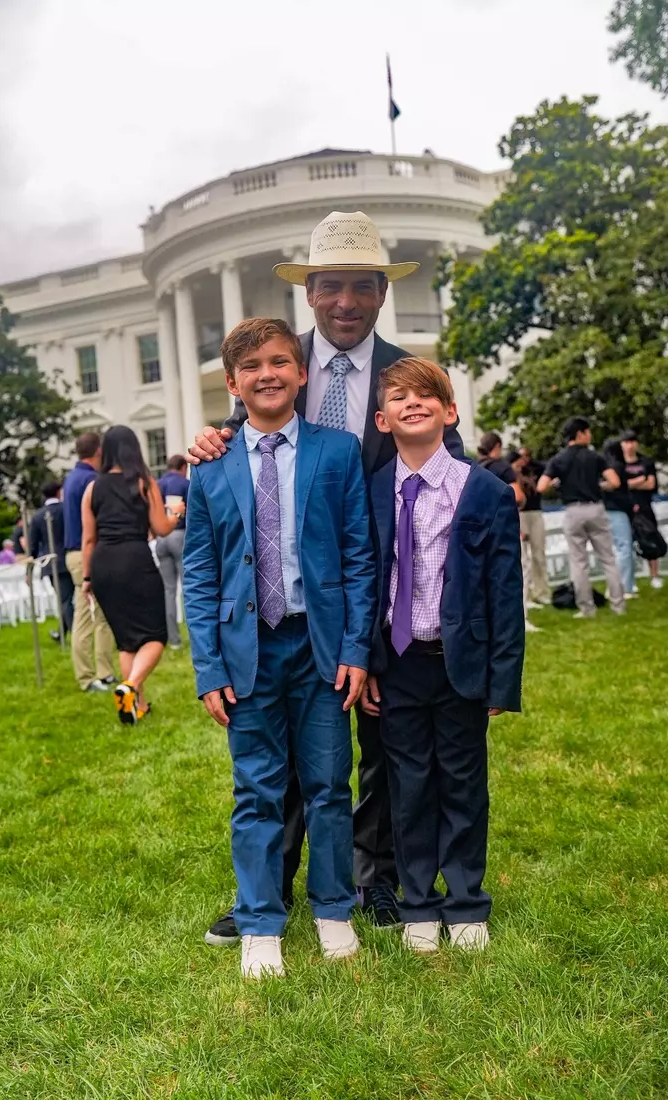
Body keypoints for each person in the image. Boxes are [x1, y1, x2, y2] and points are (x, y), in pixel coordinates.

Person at [189, 210, 464, 944]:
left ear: (380, 293)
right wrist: (212, 438)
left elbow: (449, 477)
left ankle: (369, 883)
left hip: (392, 595)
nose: (346, 301)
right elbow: (246, 447)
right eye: (331, 286)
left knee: (375, 750)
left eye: (362, 287)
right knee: (283, 754)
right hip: (295, 598)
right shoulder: (277, 362)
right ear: (309, 292)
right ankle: (270, 892)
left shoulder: (410, 373)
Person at [183, 318, 376, 979]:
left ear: (300, 373)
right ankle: (260, 920)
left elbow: (357, 554)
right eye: (252, 366)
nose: (267, 373)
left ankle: (330, 908)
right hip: (247, 653)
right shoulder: (209, 470)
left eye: (279, 361)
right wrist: (207, 666)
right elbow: (201, 574)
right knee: (256, 789)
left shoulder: (336, 451)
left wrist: (355, 647)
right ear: (233, 382)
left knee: (327, 785)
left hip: (319, 646)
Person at [361, 357, 524, 954]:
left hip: (460, 664)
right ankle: (419, 904)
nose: (412, 403)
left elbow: (505, 592)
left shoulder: (483, 491)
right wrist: (369, 661)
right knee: (408, 786)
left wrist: (501, 680)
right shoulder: (373, 491)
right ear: (382, 420)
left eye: (426, 397)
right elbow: (364, 582)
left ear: (450, 412)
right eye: (398, 397)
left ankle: (465, 903)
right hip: (397, 664)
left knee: (462, 782)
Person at [80, 426, 185, 724]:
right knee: (156, 636)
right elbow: (162, 529)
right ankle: (129, 686)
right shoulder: (143, 482)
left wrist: (87, 578)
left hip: (102, 566)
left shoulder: (92, 488)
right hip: (135, 560)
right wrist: (177, 511)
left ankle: (135, 706)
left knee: (126, 640)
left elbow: (89, 539)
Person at [537, 418, 625, 618]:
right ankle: (618, 606)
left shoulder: (558, 460)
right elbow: (615, 481)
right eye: (588, 432)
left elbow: (541, 487)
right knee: (608, 559)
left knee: (579, 562)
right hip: (595, 508)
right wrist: (598, 486)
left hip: (573, 511)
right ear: (580, 434)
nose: (590, 435)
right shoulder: (595, 457)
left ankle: (587, 609)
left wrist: (560, 484)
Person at [63, 433, 116, 693]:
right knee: (89, 618)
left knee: (98, 616)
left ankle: (103, 673)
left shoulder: (71, 478)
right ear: (97, 452)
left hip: (75, 551)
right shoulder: (91, 480)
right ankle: (88, 677)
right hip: (86, 552)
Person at [28, 480, 75, 641]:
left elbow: (32, 546)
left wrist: (30, 570)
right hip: (70, 556)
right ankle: (65, 634)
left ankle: (74, 635)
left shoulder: (37, 516)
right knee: (67, 599)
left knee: (65, 599)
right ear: (58, 492)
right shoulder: (66, 510)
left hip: (50, 562)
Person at [621, 430, 664, 590]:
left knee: (650, 538)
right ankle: (630, 579)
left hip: (645, 506)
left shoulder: (646, 462)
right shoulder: (619, 464)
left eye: (632, 441)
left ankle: (655, 575)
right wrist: (639, 480)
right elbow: (619, 485)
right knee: (627, 542)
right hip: (626, 507)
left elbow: (651, 484)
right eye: (627, 442)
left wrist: (629, 483)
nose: (630, 445)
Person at [156, 454, 190, 649]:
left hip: (162, 537)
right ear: (183, 467)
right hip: (180, 534)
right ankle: (195, 637)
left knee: (169, 590)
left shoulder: (158, 485)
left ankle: (174, 640)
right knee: (189, 588)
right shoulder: (185, 484)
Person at [507, 450, 542, 634]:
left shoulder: (485, 469)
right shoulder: (506, 472)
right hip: (513, 522)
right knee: (523, 566)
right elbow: (518, 498)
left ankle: (528, 600)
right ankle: (522, 614)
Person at [602, 439, 636, 598]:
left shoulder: (604, 466)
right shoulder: (617, 466)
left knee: (616, 550)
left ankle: (615, 587)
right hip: (618, 510)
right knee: (624, 548)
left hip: (607, 509)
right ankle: (623, 587)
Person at [518, 446, 550, 606]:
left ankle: (541, 591)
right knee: (523, 558)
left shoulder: (538, 467)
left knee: (539, 554)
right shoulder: (513, 469)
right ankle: (526, 595)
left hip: (535, 510)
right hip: (521, 513)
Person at [476, 432, 526, 508]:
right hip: (500, 515)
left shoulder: (472, 468)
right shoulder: (503, 467)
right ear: (497, 445)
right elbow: (517, 496)